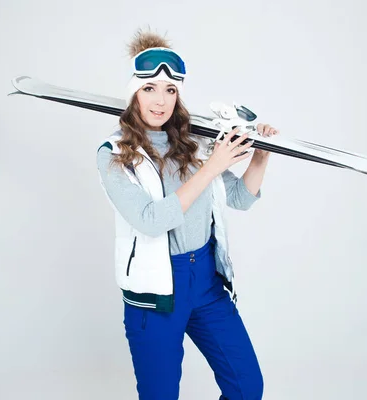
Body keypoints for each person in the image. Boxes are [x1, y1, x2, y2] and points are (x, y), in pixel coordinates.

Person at [95, 29, 279, 400]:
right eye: (149, 89)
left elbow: (241, 198)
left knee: (246, 387)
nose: (160, 101)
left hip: (206, 281)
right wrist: (212, 166)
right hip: (158, 292)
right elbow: (151, 218)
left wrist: (260, 157)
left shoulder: (193, 144)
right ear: (134, 92)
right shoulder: (114, 154)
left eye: (170, 90)